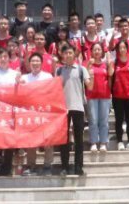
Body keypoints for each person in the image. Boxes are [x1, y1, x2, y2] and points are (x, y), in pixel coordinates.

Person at [56, 44, 92, 176]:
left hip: (78, 107)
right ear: (62, 55)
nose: (68, 55)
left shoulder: (82, 69)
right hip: (63, 109)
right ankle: (64, 167)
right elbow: (55, 88)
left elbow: (90, 86)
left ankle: (78, 167)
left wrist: (91, 76)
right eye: (66, 53)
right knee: (64, 140)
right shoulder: (59, 71)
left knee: (79, 140)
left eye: (70, 53)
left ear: (74, 54)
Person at [20, 52, 54, 175]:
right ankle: (31, 165)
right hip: (30, 113)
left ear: (41, 63)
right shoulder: (24, 78)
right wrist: (18, 83)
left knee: (48, 139)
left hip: (45, 113)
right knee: (31, 140)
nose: (35, 63)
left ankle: (47, 165)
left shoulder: (48, 76)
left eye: (37, 61)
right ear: (29, 64)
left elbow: (52, 93)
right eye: (33, 61)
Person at [85, 42, 112, 153]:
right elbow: (85, 77)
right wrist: (88, 65)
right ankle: (94, 142)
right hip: (92, 96)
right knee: (93, 120)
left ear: (102, 52)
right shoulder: (88, 63)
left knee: (104, 120)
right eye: (95, 50)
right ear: (91, 52)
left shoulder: (106, 64)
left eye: (99, 49)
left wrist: (109, 62)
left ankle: (103, 142)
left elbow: (111, 74)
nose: (97, 52)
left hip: (105, 95)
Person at [112, 39, 129, 150]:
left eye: (124, 47)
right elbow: (111, 79)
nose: (122, 49)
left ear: (127, 49)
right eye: (120, 48)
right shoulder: (114, 62)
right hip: (117, 96)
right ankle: (120, 141)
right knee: (119, 120)